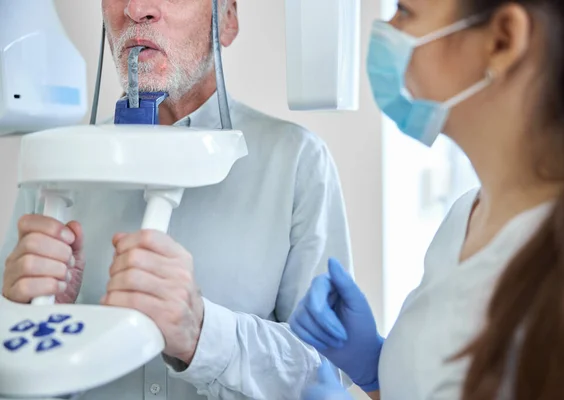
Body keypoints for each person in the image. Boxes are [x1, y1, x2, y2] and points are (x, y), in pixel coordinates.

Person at [0, 0, 352, 399]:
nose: (136, 9)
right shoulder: (55, 168)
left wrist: (202, 334)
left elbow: (329, 378)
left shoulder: (296, 162)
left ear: (228, 19)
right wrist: (27, 328)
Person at [290, 0, 564, 399]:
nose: (387, 33)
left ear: (503, 40)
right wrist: (378, 372)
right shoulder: (466, 215)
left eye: (405, 12)